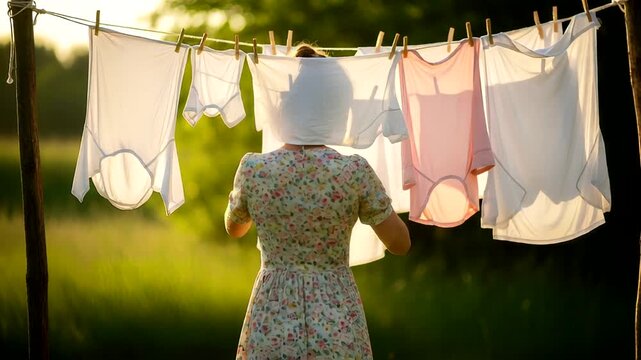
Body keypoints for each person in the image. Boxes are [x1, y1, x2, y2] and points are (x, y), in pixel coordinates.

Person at [225, 43, 411, 360]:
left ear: (283, 105)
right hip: (337, 315)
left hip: (273, 317)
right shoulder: (353, 171)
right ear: (338, 109)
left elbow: (235, 229)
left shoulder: (255, 169)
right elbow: (400, 243)